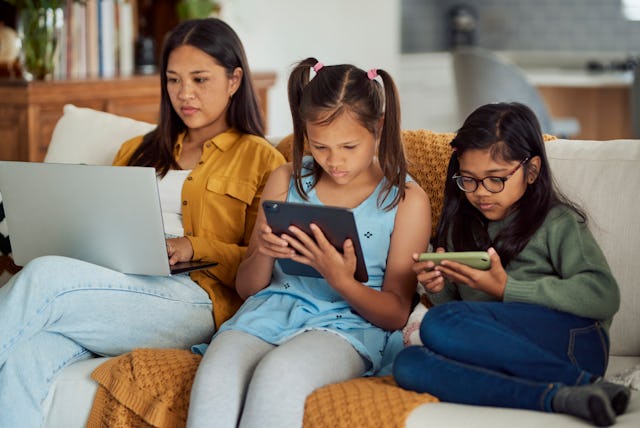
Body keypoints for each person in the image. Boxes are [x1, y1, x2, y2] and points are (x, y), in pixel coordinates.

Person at [0, 18, 285, 427]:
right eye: (173, 80)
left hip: (194, 297)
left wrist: (194, 246)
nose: (184, 93)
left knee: (46, 277)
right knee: (26, 356)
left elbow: (262, 263)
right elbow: (99, 223)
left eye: (199, 79)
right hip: (112, 283)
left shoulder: (261, 159)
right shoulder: (136, 150)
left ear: (235, 79)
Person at [186, 57, 431, 428]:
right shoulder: (286, 179)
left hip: (348, 325)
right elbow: (248, 288)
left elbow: (396, 312)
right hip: (267, 312)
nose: (334, 161)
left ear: (378, 129)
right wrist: (264, 255)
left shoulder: (405, 199)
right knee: (215, 376)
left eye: (349, 147)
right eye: (320, 147)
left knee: (278, 375)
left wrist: (342, 281)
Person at [392, 102, 631, 427]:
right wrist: (438, 286)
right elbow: (464, 312)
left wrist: (506, 288)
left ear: (531, 171)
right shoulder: (459, 225)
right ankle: (558, 397)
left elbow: (604, 295)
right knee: (409, 364)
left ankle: (583, 382)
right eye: (469, 180)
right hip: (502, 351)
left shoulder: (556, 222)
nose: (480, 193)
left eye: (495, 179)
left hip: (575, 344)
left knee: (437, 323)